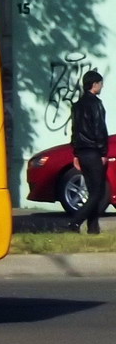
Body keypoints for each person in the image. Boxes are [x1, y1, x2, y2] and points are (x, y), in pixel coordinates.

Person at [69, 69, 110, 234]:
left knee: (92, 191)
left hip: (82, 152)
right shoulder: (96, 104)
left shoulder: (77, 105)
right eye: (100, 83)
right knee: (98, 193)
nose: (101, 86)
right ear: (94, 84)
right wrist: (103, 152)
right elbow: (100, 130)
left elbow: (74, 131)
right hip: (94, 152)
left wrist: (75, 153)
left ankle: (93, 228)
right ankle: (75, 222)